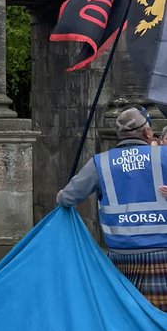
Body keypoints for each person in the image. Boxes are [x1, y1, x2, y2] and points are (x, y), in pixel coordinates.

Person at [57, 106, 167, 310]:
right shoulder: (164, 155)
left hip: (120, 255)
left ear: (119, 135)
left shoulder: (100, 163)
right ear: (147, 132)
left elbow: (66, 198)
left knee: (126, 315)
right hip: (161, 251)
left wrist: (63, 192)